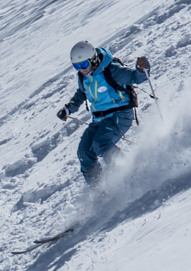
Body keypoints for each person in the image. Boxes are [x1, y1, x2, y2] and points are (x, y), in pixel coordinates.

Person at [56, 40, 151, 185]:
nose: (82, 70)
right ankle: (100, 189)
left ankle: (129, 174)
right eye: (77, 66)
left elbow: (136, 78)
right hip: (99, 119)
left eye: (84, 65)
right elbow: (81, 93)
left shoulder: (111, 70)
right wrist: (69, 109)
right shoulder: (83, 77)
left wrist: (142, 69)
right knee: (84, 152)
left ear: (93, 59)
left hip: (120, 114)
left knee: (102, 144)